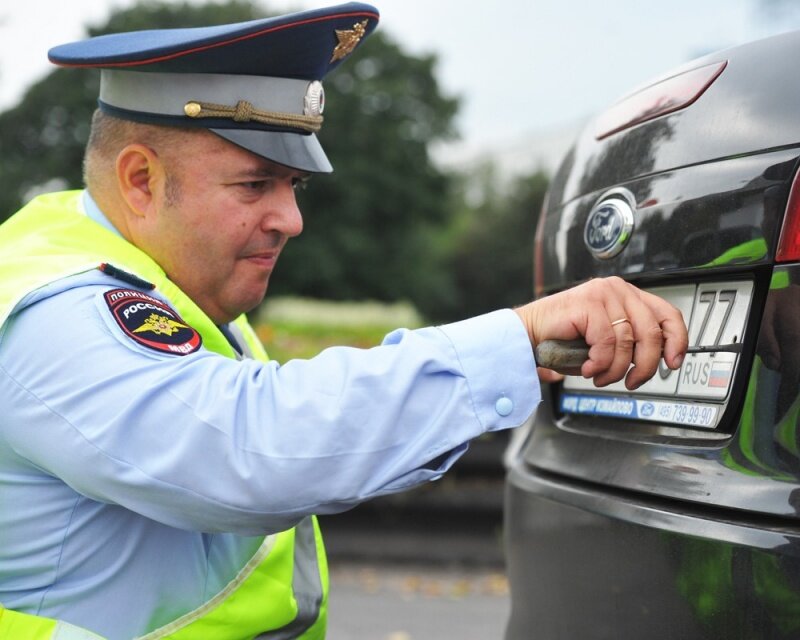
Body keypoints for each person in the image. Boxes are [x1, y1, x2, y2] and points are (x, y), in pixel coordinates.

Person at [0, 3, 688, 639]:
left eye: (293, 185)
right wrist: (514, 337)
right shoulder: (62, 310)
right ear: (141, 181)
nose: (291, 220)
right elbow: (252, 448)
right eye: (254, 184)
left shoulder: (158, 286)